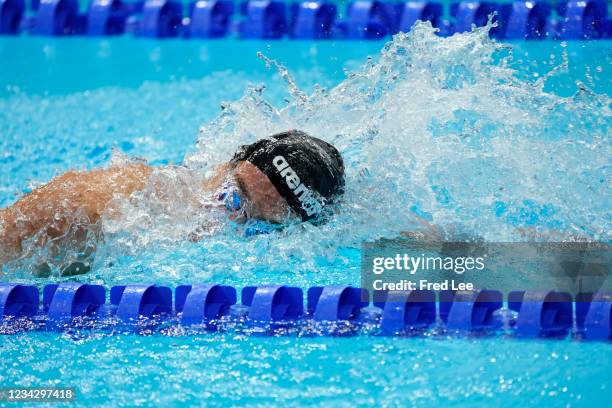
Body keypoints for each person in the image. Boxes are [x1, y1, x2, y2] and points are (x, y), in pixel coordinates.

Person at [0, 130, 345, 273]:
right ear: (224, 166)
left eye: (257, 226)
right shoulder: (110, 204)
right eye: (233, 195)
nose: (225, 214)